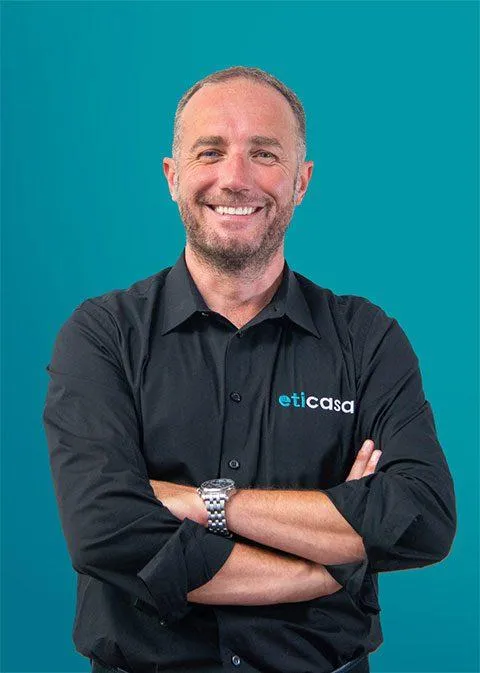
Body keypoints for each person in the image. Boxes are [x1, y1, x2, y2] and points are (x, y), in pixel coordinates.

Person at [43, 66, 457, 673]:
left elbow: (421, 519)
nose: (234, 178)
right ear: (172, 176)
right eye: (210, 152)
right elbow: (106, 533)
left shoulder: (366, 339)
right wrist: (323, 565)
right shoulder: (102, 335)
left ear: (301, 181)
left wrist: (206, 503)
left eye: (264, 154)